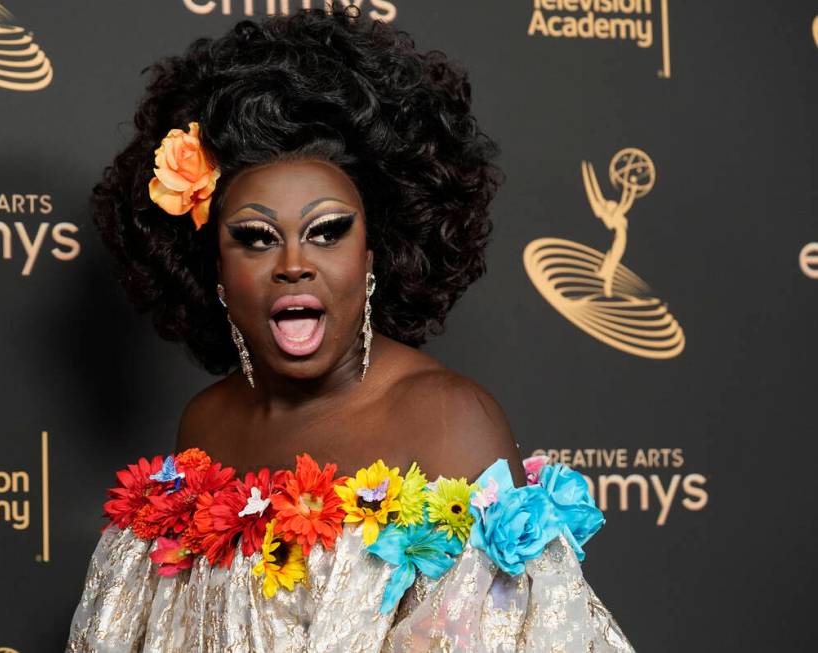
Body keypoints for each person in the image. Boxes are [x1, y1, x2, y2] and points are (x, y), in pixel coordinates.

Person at [66, 7, 634, 652]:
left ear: (372, 257)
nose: (294, 264)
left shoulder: (447, 419)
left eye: (328, 231)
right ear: (215, 270)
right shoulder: (204, 428)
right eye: (254, 238)